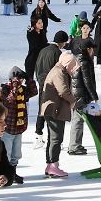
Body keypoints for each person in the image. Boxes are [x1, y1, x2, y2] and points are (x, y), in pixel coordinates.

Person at [40, 50, 77, 179]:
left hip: (54, 108)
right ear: (67, 63)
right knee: (56, 138)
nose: (73, 68)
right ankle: (52, 165)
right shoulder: (58, 72)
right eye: (72, 65)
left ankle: (51, 165)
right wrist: (73, 101)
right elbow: (63, 90)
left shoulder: (60, 71)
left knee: (54, 138)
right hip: (54, 109)